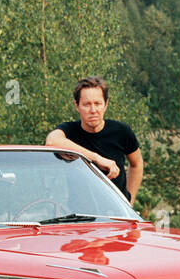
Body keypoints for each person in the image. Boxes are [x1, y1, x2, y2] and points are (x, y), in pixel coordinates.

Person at [44, 76, 144, 204]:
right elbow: (52, 142)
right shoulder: (69, 130)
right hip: (81, 215)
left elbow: (136, 164)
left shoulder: (122, 131)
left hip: (117, 214)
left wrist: (130, 201)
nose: (93, 110)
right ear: (77, 106)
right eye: (86, 104)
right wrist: (97, 158)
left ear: (106, 104)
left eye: (97, 103)